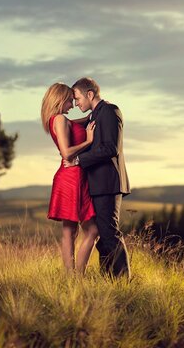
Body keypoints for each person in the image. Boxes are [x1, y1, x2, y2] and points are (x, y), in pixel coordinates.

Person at [63, 77, 131, 280]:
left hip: (108, 184)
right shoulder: (95, 114)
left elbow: (111, 148)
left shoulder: (110, 111)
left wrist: (78, 160)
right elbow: (71, 123)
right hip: (98, 185)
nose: (76, 104)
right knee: (103, 235)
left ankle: (123, 281)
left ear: (90, 94)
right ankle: (109, 278)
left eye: (77, 98)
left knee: (110, 234)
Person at [40, 82, 99, 274]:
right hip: (71, 176)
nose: (73, 105)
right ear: (61, 99)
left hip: (71, 176)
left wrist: (96, 111)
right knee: (91, 231)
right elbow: (67, 154)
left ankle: (70, 278)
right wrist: (89, 141)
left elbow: (80, 121)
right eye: (70, 101)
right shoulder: (60, 120)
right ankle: (78, 276)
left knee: (69, 232)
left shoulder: (58, 119)